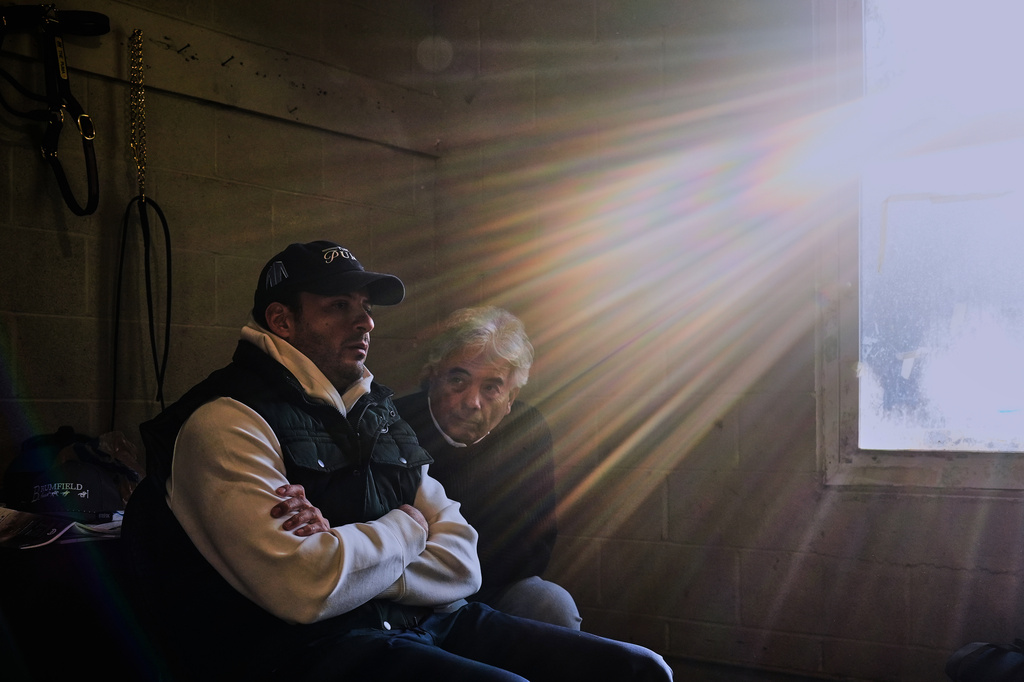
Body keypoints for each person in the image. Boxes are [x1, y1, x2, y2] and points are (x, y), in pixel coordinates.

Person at [121, 240, 672, 682]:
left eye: (364, 308)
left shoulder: (373, 411)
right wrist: (409, 529)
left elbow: (466, 562)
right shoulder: (227, 420)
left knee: (639, 669)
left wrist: (347, 548)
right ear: (282, 321)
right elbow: (305, 586)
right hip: (305, 649)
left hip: (418, 621)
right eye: (339, 306)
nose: (365, 323)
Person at [394, 306, 581, 630]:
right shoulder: (393, 423)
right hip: (412, 588)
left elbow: (535, 546)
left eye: (491, 387)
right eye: (458, 380)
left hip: (493, 585)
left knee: (552, 605)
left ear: (511, 397)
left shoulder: (527, 429)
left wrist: (461, 574)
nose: (472, 402)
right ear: (433, 375)